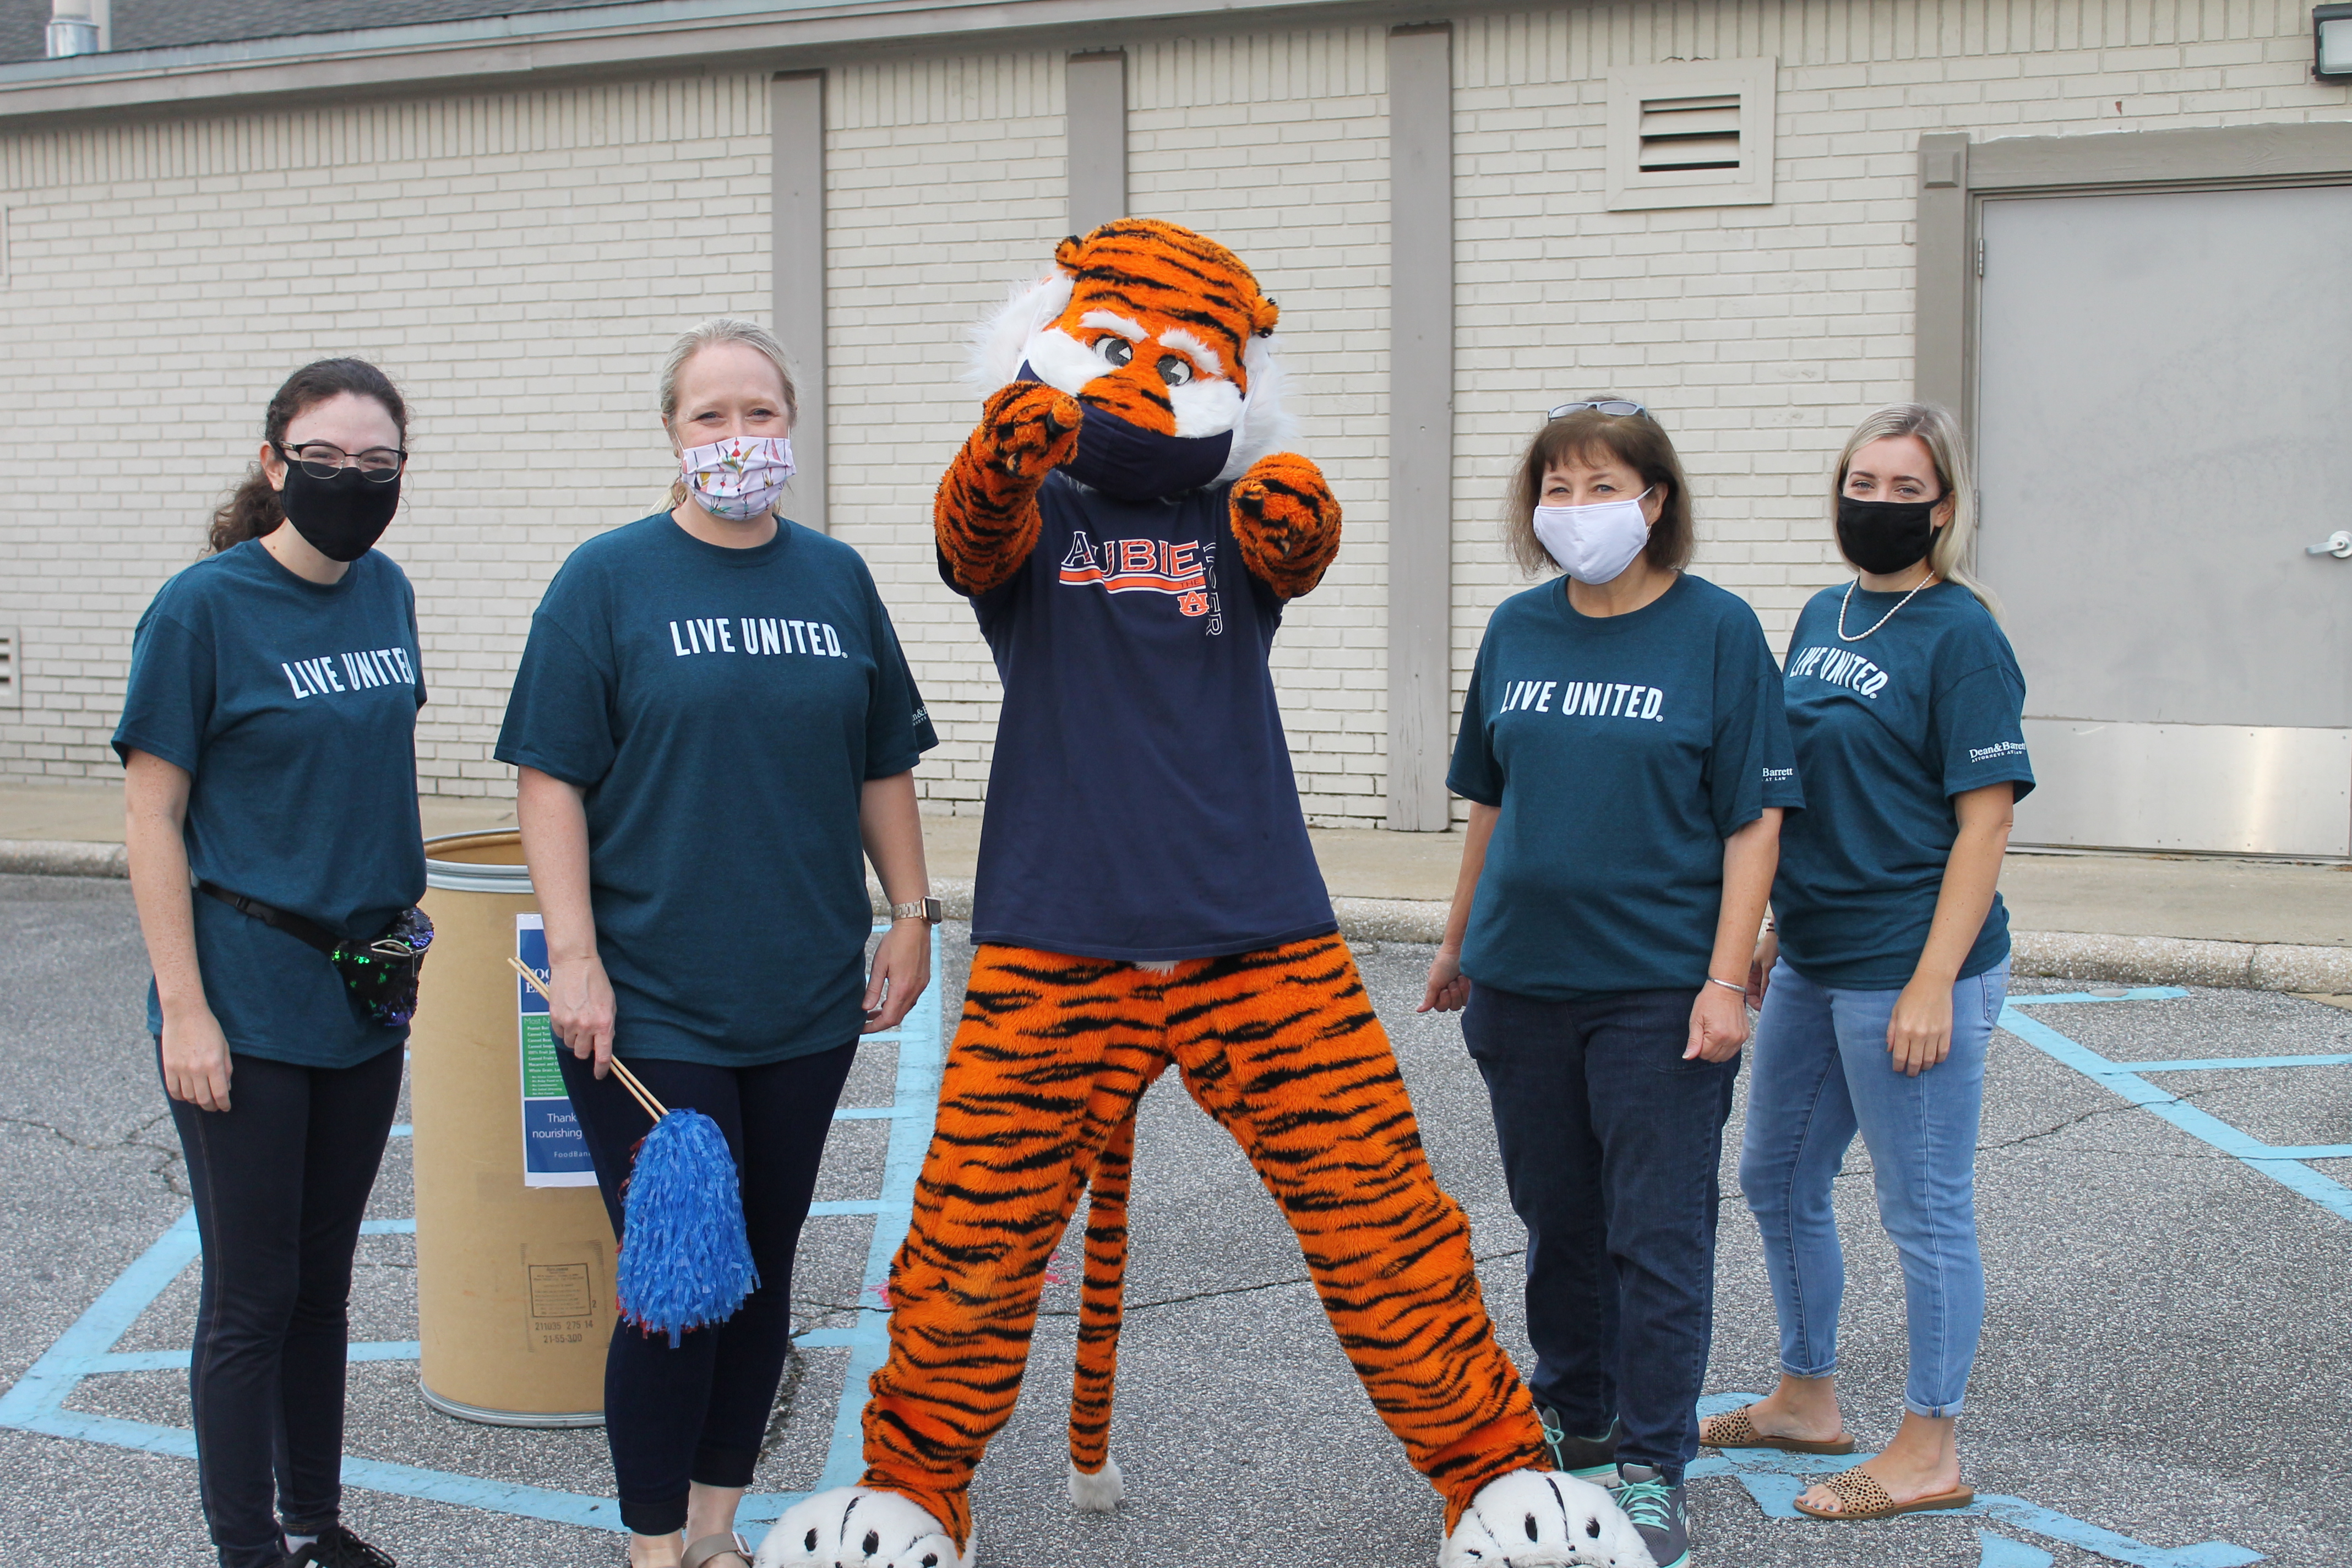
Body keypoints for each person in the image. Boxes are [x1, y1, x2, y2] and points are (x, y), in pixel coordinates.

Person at [497, 318, 938, 1568]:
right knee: (677, 1280)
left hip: (801, 994)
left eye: (759, 412)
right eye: (711, 415)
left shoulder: (836, 578)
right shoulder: (609, 579)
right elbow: (549, 779)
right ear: (673, 434)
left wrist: (909, 914)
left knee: (759, 1272)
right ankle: (650, 1546)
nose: (737, 438)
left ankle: (712, 1528)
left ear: (790, 426)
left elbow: (881, 759)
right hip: (649, 1003)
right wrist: (573, 955)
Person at [1420, 398, 1803, 1568]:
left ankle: (1650, 1465)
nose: (1577, 510)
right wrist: (1457, 941)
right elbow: (1492, 797)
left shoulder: (1717, 631)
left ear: (1657, 501)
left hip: (1657, 989)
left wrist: (1727, 976)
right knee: (1558, 1223)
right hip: (1524, 983)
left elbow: (1755, 818)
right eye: (1559, 488)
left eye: (1603, 486)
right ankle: (1574, 1419)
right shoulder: (1518, 629)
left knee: (1657, 1232)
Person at [1701, 403, 2034, 1523]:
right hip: (1816, 949)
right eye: (1863, 481)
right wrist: (1768, 932)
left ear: (1946, 506)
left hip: (1910, 962)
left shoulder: (1964, 634)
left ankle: (1931, 1444)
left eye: (1906, 489)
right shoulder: (1822, 609)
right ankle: (1807, 1395)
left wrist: (1937, 979)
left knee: (1924, 1208)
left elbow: (1983, 825)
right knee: (1777, 1176)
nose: (1879, 505)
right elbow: (1814, 787)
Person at [118, 358, 423, 1568]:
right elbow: (151, 822)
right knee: (251, 1298)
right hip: (241, 1000)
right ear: (272, 464)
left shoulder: (388, 591)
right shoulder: (201, 610)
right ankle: (247, 1547)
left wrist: (402, 939)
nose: (352, 483)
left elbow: (368, 789)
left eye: (379, 465)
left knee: (324, 1289)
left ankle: (315, 1521)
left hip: (362, 997)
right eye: (326, 460)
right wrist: (185, 1010)